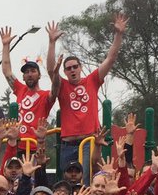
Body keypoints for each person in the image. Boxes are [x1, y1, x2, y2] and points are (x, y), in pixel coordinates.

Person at [47, 14, 127, 170]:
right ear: (64, 71)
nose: (72, 70)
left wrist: (118, 34)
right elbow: (51, 70)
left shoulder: (92, 80)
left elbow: (110, 58)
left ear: (80, 67)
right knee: (68, 184)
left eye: (75, 67)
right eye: (68, 68)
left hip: (89, 142)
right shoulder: (62, 85)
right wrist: (52, 43)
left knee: (88, 180)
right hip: (68, 144)